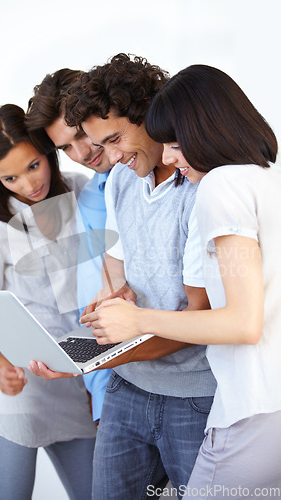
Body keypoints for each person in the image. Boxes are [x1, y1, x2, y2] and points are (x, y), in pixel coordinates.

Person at [82, 64, 281, 497]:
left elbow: (240, 323)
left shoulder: (219, 186)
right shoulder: (263, 176)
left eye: (175, 142)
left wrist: (136, 323)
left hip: (244, 406)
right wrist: (121, 306)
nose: (171, 157)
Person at [64, 54, 216, 499]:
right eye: (98, 145)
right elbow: (118, 269)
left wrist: (99, 357)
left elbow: (198, 316)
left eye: (114, 139)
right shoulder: (120, 182)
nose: (109, 158)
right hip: (128, 390)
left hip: (195, 395)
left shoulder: (202, 187)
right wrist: (112, 298)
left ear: (148, 114)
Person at [0, 104, 96, 500]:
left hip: (73, 386)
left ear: (47, 151)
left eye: (34, 166)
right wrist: (3, 370)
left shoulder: (81, 193)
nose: (28, 184)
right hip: (16, 392)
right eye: (10, 177)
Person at [25, 69, 114, 421]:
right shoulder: (89, 194)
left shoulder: (151, 179)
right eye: (65, 147)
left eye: (81, 135)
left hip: (159, 375)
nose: (80, 152)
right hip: (103, 386)